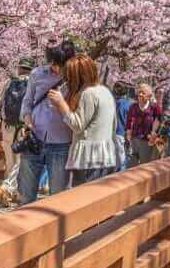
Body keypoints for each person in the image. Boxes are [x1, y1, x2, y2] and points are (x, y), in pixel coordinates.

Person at [18, 39, 76, 203]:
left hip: (61, 145)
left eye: (59, 63)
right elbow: (27, 102)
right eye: (52, 62)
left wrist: (61, 103)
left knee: (58, 197)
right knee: (26, 195)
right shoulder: (37, 74)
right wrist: (27, 121)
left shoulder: (75, 81)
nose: (54, 67)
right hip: (34, 140)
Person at [47, 54, 117, 186]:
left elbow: (78, 125)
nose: (68, 80)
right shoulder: (105, 91)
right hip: (105, 156)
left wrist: (61, 104)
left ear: (80, 76)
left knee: (84, 200)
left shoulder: (88, 93)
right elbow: (114, 125)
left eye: (71, 76)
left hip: (88, 159)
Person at [0, 57, 35, 196]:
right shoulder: (33, 84)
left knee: (10, 160)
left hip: (7, 126)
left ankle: (9, 191)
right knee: (21, 160)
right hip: (23, 127)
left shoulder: (9, 83)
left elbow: (0, 102)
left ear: (19, 68)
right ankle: (11, 189)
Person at [125, 83, 161, 166]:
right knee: (133, 162)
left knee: (145, 163)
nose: (140, 94)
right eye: (139, 92)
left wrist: (154, 133)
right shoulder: (133, 106)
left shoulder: (154, 107)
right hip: (134, 138)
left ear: (149, 96)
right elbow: (129, 120)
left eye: (143, 93)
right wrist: (128, 132)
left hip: (147, 139)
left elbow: (158, 120)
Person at [112, 81, 134, 172]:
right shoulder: (128, 103)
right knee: (124, 155)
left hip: (116, 132)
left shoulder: (115, 102)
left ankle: (119, 172)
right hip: (124, 132)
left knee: (118, 156)